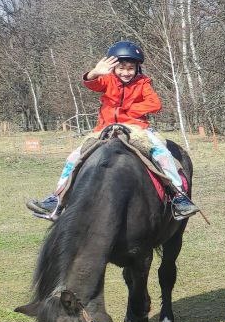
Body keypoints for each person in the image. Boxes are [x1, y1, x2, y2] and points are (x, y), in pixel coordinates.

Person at [26, 41, 199, 220]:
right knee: (73, 157)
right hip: (105, 129)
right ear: (114, 68)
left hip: (136, 128)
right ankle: (57, 199)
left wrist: (127, 110)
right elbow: (91, 84)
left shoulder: (142, 83)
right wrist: (94, 72)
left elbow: (155, 104)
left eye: (130, 68)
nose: (126, 72)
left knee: (161, 153)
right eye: (121, 68)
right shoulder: (108, 79)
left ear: (137, 68)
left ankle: (179, 197)